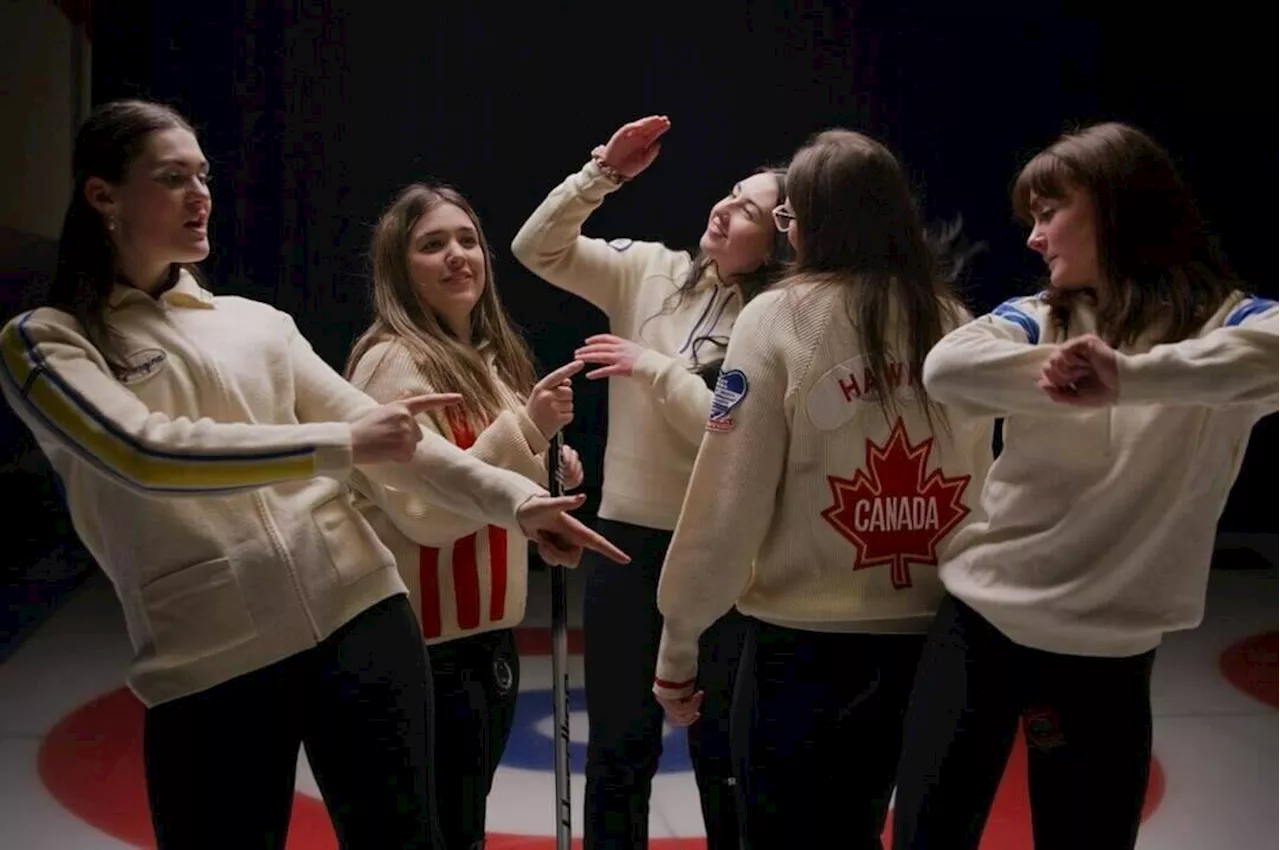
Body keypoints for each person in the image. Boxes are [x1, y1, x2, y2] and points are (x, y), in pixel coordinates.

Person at [0, 98, 627, 850]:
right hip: (207, 659)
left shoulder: (256, 322)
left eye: (203, 175)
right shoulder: (45, 341)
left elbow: (407, 446)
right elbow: (144, 454)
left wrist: (522, 502)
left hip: (362, 620)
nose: (200, 195)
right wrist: (339, 442)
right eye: (172, 178)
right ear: (103, 195)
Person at [891, 121, 1280, 850]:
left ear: (1114, 206)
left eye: (1048, 212)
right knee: (926, 836)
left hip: (1106, 659)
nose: (1034, 238)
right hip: (981, 626)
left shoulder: (1235, 325)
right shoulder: (1039, 320)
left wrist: (1131, 379)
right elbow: (945, 370)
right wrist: (1057, 374)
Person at [650, 128, 990, 849]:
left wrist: (679, 640)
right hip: (930, 648)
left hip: (802, 653)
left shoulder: (778, 315)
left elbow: (725, 504)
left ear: (816, 221)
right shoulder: (953, 321)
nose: (786, 233)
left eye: (789, 216)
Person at [511, 114, 791, 849]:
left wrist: (655, 369)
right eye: (730, 194)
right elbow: (535, 248)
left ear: (780, 244)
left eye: (750, 211)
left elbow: (727, 430)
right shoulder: (650, 271)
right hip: (629, 544)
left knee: (724, 756)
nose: (725, 208)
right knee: (618, 751)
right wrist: (600, 174)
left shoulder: (781, 319)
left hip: (731, 552)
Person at [344, 182, 588, 850]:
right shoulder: (391, 362)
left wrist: (549, 473)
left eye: (466, 239)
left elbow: (498, 474)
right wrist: (527, 432)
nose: (458, 255)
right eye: (432, 245)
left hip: (482, 639)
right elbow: (424, 509)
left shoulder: (488, 358)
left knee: (462, 826)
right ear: (400, 267)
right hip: (418, 647)